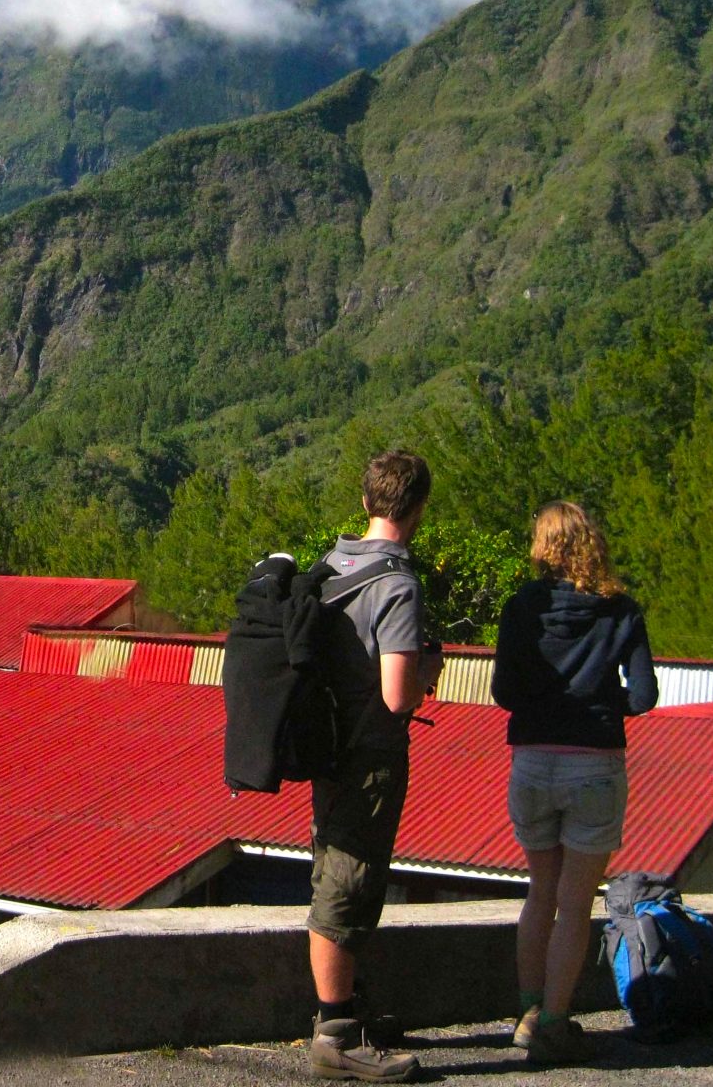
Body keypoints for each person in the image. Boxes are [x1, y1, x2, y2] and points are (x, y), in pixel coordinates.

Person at [491, 501, 658, 1065]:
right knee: (575, 903)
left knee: (540, 893)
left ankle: (528, 1010)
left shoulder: (521, 609)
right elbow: (643, 697)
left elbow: (505, 693)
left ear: (543, 546)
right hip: (594, 765)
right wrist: (598, 699)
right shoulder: (621, 610)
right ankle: (555, 1026)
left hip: (532, 762)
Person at [307, 450, 446, 1082]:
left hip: (329, 747)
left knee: (337, 870)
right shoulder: (397, 584)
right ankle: (334, 1031)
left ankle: (347, 1013)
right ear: (417, 510)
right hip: (369, 756)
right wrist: (426, 671)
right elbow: (397, 695)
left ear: (366, 503)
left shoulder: (333, 565)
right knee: (348, 881)